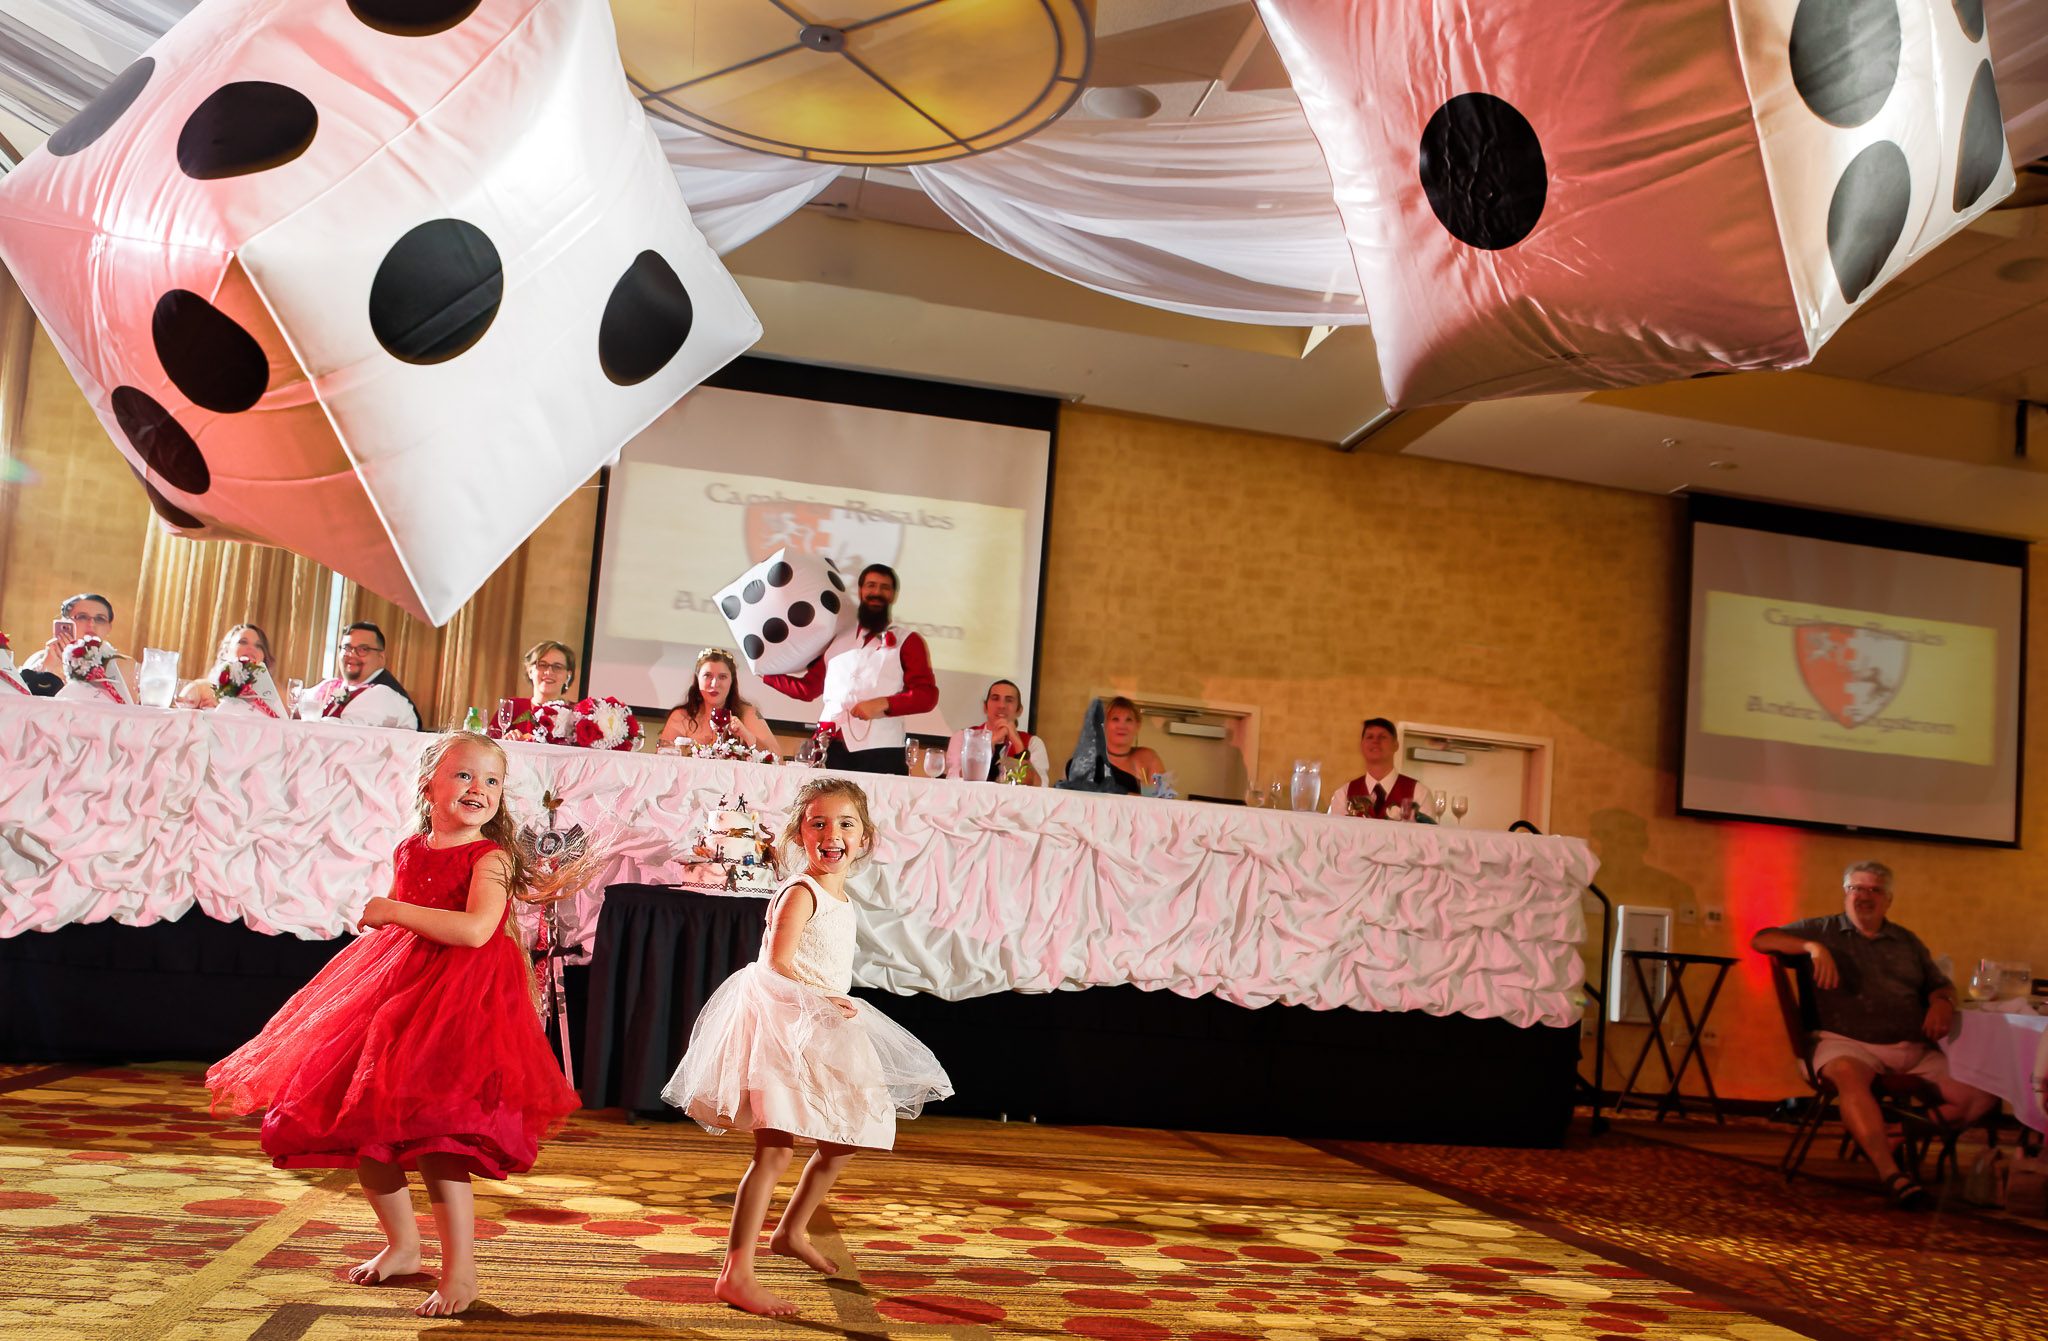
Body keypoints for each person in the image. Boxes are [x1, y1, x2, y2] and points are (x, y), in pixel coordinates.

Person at [207, 732, 580, 1316]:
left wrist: (391, 910)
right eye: (464, 776)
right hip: (397, 993)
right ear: (429, 784)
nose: (478, 789)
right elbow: (412, 916)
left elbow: (476, 930)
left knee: (440, 1139)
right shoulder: (411, 848)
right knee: (370, 1126)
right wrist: (393, 919)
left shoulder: (492, 857)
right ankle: (402, 1245)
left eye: (491, 781)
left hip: (463, 1004)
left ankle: (462, 1272)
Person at [661, 776, 952, 1316]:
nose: (831, 833)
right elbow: (778, 964)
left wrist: (830, 1004)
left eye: (845, 824)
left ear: (864, 839)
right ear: (800, 833)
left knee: (845, 1136)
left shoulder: (844, 897)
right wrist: (823, 998)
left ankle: (791, 1229)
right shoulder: (801, 891)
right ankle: (735, 1272)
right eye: (818, 822)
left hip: (822, 1025)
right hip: (786, 1021)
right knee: (774, 1150)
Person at [1750, 860, 1995, 1209]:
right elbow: (1760, 939)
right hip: (1844, 1044)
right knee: (1850, 1077)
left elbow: (1940, 985)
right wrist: (1813, 949)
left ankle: (1891, 1136)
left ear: (1888, 899)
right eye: (1856, 888)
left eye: (1874, 890)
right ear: (1845, 893)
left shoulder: (1906, 942)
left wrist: (1941, 1000)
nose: (1864, 896)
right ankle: (1891, 1173)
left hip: (1911, 1048)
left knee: (1982, 1093)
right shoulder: (1821, 930)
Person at [762, 564, 937, 774]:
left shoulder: (908, 640)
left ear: (893, 595)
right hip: (829, 746)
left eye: (884, 588)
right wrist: (764, 671)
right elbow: (808, 688)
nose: (877, 593)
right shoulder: (838, 637)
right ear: (861, 590)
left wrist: (883, 703)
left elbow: (926, 695)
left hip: (881, 751)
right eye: (871, 585)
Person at [659, 647, 779, 759]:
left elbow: (776, 758)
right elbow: (662, 760)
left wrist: (745, 734)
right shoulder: (681, 716)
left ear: (731, 681)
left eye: (722, 677)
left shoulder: (748, 713)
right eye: (707, 676)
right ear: (697, 679)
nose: (714, 684)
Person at [297, 622, 420, 730]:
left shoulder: (384, 694)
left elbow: (345, 731)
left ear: (381, 658)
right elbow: (296, 705)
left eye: (363, 649)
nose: (352, 654)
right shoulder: (331, 684)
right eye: (347, 647)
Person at [23, 592, 133, 702]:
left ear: (109, 627)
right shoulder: (40, 658)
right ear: (65, 622)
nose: (91, 624)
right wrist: (47, 667)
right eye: (82, 617)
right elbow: (22, 703)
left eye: (100, 619)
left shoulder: (124, 665)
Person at [945, 679, 1049, 784]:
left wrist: (1018, 745)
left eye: (1009, 700)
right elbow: (955, 781)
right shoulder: (963, 737)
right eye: (995, 699)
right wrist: (989, 742)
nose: (1001, 706)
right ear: (985, 707)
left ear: (1019, 710)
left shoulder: (1033, 743)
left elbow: (1039, 788)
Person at [1330, 717, 1433, 819]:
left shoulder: (1419, 794)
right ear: (1361, 745)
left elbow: (1427, 835)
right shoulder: (1343, 794)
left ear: (1395, 745)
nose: (1375, 741)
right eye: (1370, 737)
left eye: (1382, 737)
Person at [487, 640, 578, 739]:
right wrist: (505, 741)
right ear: (530, 671)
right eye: (542, 664)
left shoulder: (577, 714)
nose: (548, 672)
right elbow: (489, 746)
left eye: (557, 667)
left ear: (568, 675)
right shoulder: (512, 706)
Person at [1098, 696, 1165, 795]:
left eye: (1128, 720)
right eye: (1115, 719)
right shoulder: (1088, 760)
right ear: (1104, 724)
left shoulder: (1148, 759)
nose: (1122, 726)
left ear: (1137, 726)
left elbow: (1163, 799)